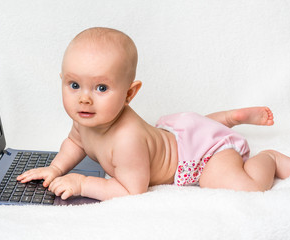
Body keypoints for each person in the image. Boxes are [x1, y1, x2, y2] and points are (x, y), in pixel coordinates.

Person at [17, 27, 290, 201]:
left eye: (101, 87)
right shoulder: (85, 117)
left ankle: (270, 158)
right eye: (74, 85)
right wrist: (56, 168)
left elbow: (131, 190)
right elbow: (75, 143)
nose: (84, 98)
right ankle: (228, 119)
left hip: (201, 155)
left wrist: (82, 183)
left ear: (129, 94)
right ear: (62, 79)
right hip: (181, 131)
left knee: (238, 186)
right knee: (197, 129)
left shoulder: (127, 140)